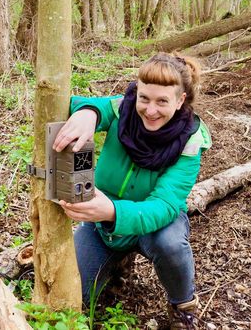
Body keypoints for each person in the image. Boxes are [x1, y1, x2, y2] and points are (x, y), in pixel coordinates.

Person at [53, 52, 211, 329]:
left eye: (162, 101)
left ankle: (182, 305)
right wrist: (88, 113)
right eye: (144, 98)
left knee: (170, 245)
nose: (150, 110)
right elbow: (88, 105)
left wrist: (112, 211)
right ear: (136, 93)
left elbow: (163, 205)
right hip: (103, 227)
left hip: (156, 225)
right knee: (76, 294)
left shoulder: (190, 142)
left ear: (180, 100)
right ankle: (118, 261)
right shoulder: (120, 109)